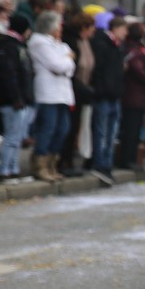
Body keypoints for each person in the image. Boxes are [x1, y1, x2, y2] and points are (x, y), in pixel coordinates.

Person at [28, 11, 75, 183]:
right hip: (48, 94)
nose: (60, 29)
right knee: (48, 129)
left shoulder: (60, 45)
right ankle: (40, 164)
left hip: (64, 94)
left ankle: (52, 163)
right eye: (58, 25)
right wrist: (67, 61)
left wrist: (66, 63)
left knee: (63, 129)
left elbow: (69, 69)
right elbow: (57, 66)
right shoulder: (39, 42)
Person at [0, 14, 35, 180]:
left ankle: (13, 168)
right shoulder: (9, 46)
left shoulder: (17, 45)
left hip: (20, 100)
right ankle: (4, 170)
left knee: (17, 137)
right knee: (11, 136)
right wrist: (16, 97)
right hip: (11, 101)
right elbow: (9, 75)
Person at [89, 14, 128, 185]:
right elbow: (100, 71)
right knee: (102, 133)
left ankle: (107, 164)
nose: (126, 33)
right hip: (104, 96)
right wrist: (103, 90)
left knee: (111, 134)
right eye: (124, 29)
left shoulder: (117, 46)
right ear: (115, 28)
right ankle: (100, 164)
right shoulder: (102, 44)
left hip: (114, 95)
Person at [117, 22, 145, 171]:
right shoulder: (134, 51)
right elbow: (138, 72)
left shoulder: (134, 49)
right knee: (131, 130)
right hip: (133, 96)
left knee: (134, 129)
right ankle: (127, 159)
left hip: (136, 96)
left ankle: (130, 158)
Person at [59, 12, 96, 177]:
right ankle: (63, 161)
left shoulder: (86, 41)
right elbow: (72, 67)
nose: (93, 31)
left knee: (76, 128)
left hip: (83, 91)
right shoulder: (71, 41)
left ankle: (70, 160)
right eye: (90, 28)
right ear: (83, 27)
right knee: (68, 127)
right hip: (72, 90)